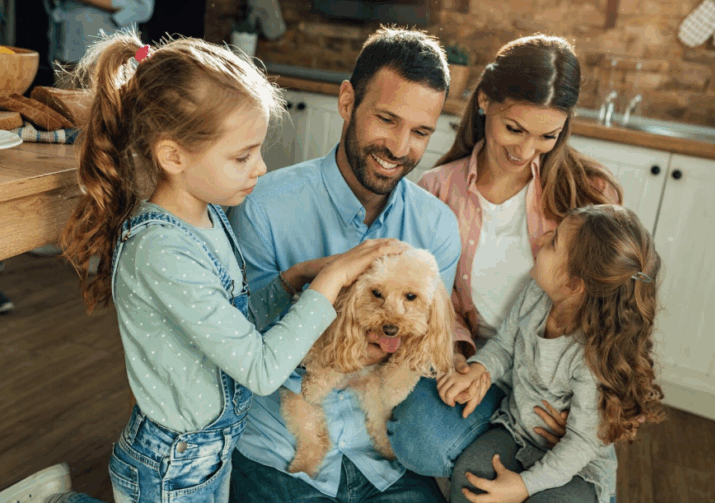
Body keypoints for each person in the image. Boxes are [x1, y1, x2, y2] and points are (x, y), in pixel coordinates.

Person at [13, 29, 405, 503]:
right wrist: (332, 280)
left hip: (212, 451)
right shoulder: (161, 250)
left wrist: (291, 280)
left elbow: (231, 326)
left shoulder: (209, 215)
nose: (260, 167)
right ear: (173, 156)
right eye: (242, 156)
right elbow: (260, 369)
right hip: (171, 466)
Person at [226, 27, 461, 503]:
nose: (400, 148)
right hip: (280, 453)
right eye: (387, 119)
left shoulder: (437, 227)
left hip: (384, 458)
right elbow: (239, 343)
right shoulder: (263, 207)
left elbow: (423, 346)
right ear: (348, 101)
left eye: (420, 132)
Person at [388, 34, 624, 479]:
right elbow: (430, 293)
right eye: (514, 129)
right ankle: (502, 440)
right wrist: (457, 353)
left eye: (547, 136)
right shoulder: (437, 190)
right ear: (484, 102)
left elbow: (617, 313)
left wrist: (586, 422)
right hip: (477, 359)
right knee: (416, 440)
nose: (525, 151)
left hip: (556, 381)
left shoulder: (589, 195)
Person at [440, 204, 666, 503]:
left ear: (572, 284)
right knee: (470, 476)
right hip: (517, 431)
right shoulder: (535, 292)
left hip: (577, 465)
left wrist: (524, 486)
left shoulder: (592, 357)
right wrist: (479, 368)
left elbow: (581, 443)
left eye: (554, 242)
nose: (543, 237)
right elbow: (505, 344)